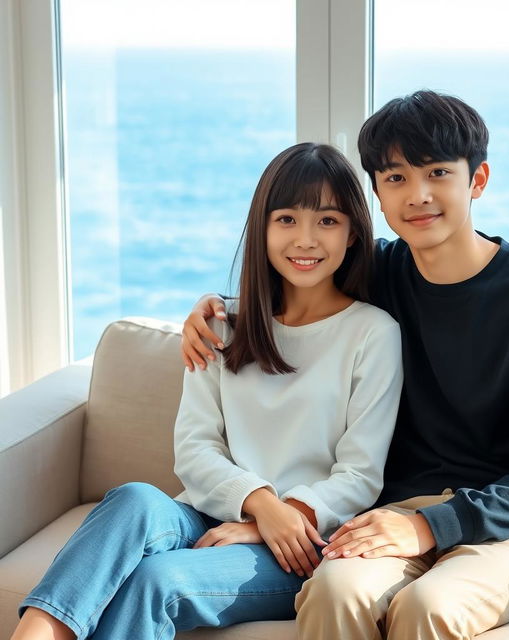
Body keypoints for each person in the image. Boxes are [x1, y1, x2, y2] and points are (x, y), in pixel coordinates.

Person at [181, 90, 509, 640]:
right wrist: (213, 307)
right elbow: (296, 270)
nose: (418, 195)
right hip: (390, 514)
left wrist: (430, 526)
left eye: (438, 173)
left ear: (477, 180)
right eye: (396, 178)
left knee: (431, 605)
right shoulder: (376, 271)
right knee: (333, 589)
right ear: (376, 193)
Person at [11, 143, 403, 640]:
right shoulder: (222, 325)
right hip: (205, 515)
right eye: (286, 219)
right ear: (262, 228)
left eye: (327, 221)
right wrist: (261, 506)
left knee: (161, 580)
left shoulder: (373, 333)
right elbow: (195, 450)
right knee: (133, 499)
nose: (305, 239)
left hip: (301, 546)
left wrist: (273, 523)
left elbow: (359, 475)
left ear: (352, 234)